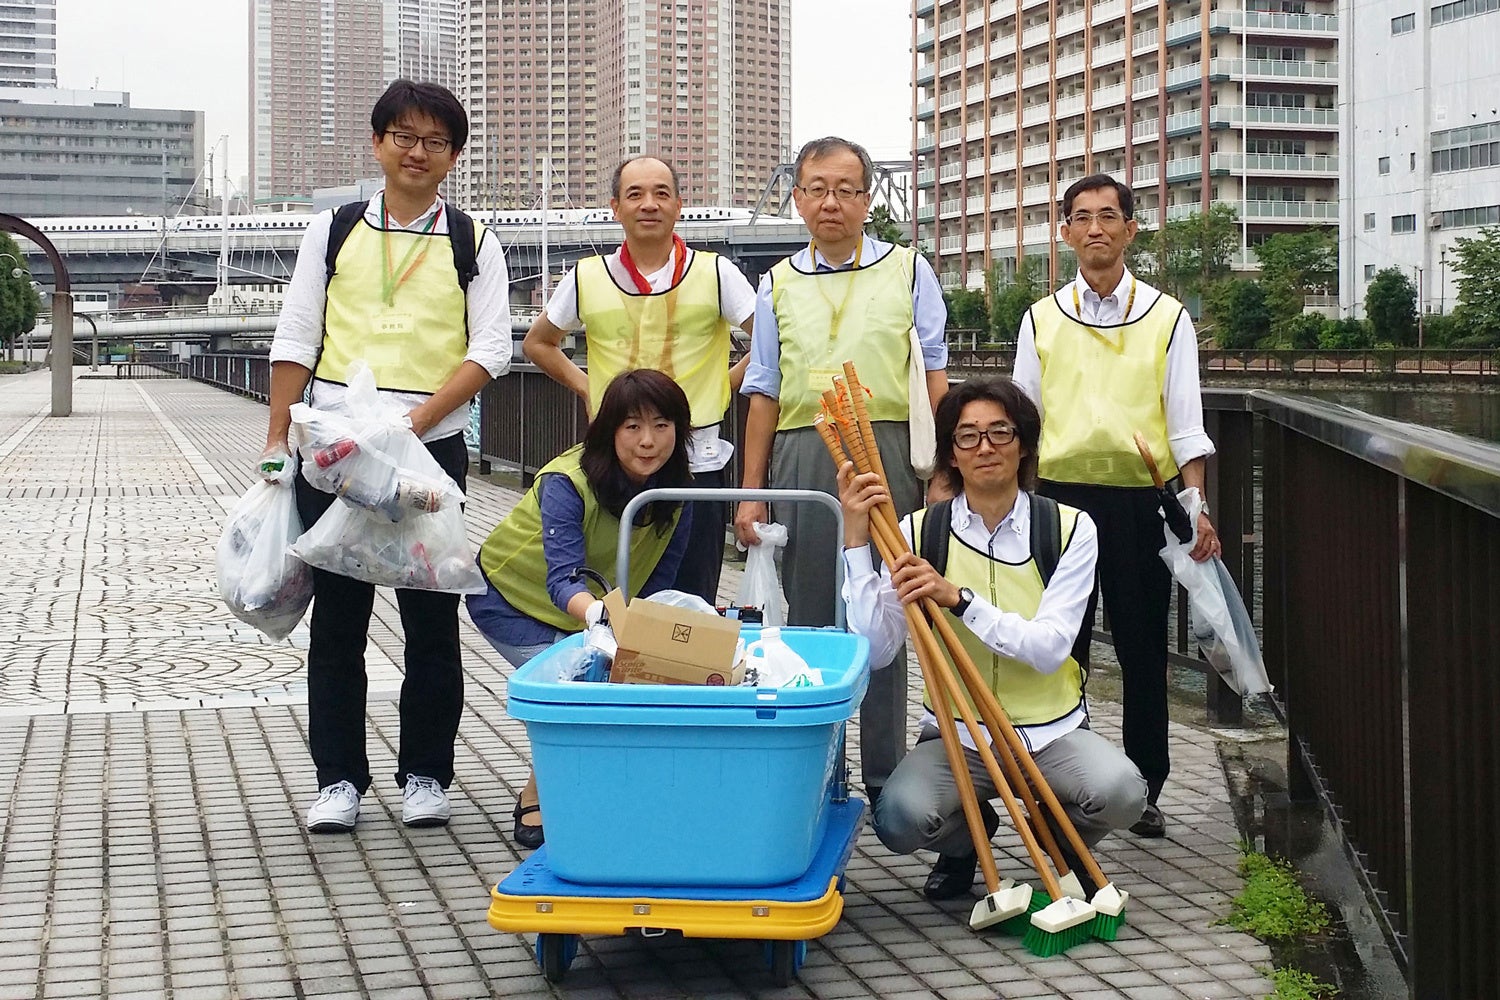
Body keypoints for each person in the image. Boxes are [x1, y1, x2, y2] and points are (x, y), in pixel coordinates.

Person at [262, 79, 511, 833]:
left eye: (434, 141)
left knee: (432, 621)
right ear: (377, 144)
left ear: (453, 157)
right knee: (337, 622)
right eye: (403, 136)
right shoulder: (333, 230)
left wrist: (413, 421)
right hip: (336, 454)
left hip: (428, 455)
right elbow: (298, 335)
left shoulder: (473, 240)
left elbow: (492, 347)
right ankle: (338, 779)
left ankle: (427, 775)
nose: (416, 151)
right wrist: (277, 439)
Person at [838, 377, 1146, 900]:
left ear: (1023, 444)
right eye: (967, 436)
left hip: (1051, 732)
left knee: (1122, 793)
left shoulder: (1070, 528)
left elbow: (1051, 648)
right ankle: (965, 845)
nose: (985, 447)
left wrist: (960, 600)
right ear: (950, 456)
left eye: (1000, 432)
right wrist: (856, 540)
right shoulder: (917, 532)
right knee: (898, 818)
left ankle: (1058, 835)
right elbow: (879, 647)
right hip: (958, 735)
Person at [734, 136, 949, 808]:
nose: (831, 202)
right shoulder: (776, 282)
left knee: (882, 606)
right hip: (803, 448)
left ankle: (886, 770)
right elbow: (763, 390)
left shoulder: (909, 270)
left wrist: (944, 471)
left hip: (884, 444)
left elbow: (935, 374)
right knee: (807, 616)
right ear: (797, 198)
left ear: (867, 200)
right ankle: (819, 768)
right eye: (817, 188)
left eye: (847, 189)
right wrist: (752, 491)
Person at [1012, 173, 1220, 839]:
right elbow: (1022, 422)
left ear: (1132, 229)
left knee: (1140, 649)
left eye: (1109, 216)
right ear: (1064, 232)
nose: (1095, 228)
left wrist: (1197, 505)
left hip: (1140, 502)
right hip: (1061, 503)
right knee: (1060, 649)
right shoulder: (1041, 318)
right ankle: (1062, 782)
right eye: (1082, 217)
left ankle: (1145, 787)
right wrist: (1015, 508)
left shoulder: (1167, 316)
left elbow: (1185, 420)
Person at [467, 369, 696, 849]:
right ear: (608, 430)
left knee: (620, 679)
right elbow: (562, 577)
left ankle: (602, 792)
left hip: (595, 613)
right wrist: (599, 620)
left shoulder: (676, 493)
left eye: (661, 425)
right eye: (632, 426)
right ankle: (540, 793)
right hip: (510, 599)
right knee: (580, 685)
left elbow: (659, 582)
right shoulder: (567, 481)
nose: (648, 441)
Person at [523, 156, 756, 606]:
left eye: (661, 193)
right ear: (615, 208)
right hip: (616, 458)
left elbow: (769, 342)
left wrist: (723, 384)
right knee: (617, 589)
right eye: (635, 194)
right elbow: (539, 343)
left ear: (679, 206)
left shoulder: (716, 272)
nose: (649, 204)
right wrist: (589, 388)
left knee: (692, 599)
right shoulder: (586, 275)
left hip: (696, 459)